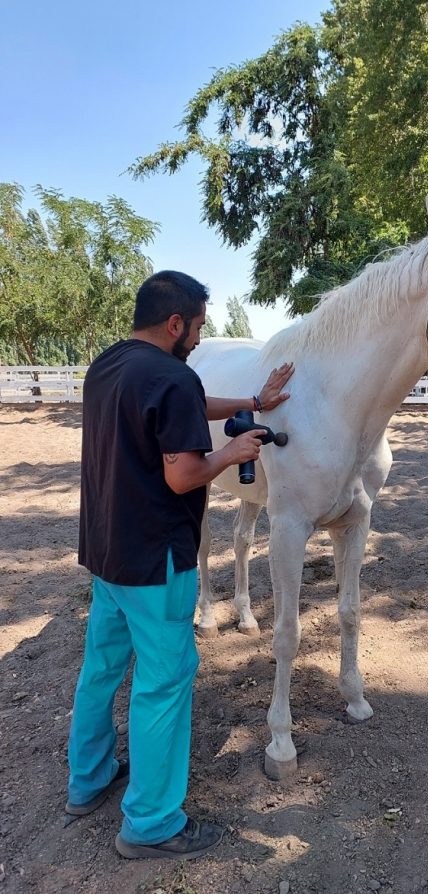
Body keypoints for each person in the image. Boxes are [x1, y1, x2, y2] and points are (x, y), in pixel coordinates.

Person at [65, 270, 294, 860]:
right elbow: (183, 473)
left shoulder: (109, 365)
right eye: (196, 328)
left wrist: (251, 401)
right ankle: (153, 823)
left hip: (106, 548)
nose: (198, 338)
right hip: (157, 559)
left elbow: (182, 402)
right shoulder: (171, 376)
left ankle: (87, 780)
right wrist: (233, 451)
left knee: (101, 668)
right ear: (175, 324)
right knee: (163, 684)